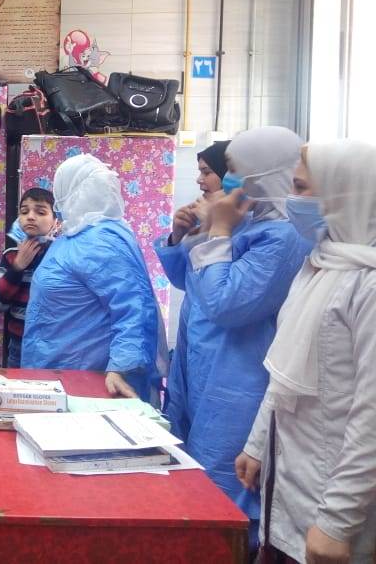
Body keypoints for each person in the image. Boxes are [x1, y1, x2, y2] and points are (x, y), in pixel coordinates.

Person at [157, 127, 311, 549]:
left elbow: (227, 304)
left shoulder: (284, 236)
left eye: (233, 169)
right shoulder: (248, 223)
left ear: (264, 173)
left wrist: (219, 232)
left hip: (238, 384)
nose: (225, 179)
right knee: (192, 478)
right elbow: (190, 281)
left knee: (226, 496)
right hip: (201, 367)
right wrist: (188, 235)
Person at [236, 140, 376, 564]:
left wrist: (337, 522)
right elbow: (285, 369)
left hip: (334, 504)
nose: (291, 200)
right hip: (290, 486)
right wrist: (257, 443)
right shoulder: (322, 262)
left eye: (300, 188)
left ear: (343, 194)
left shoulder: (368, 283)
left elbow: (371, 413)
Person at [20, 154, 161, 401]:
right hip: (56, 370)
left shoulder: (101, 241)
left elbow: (134, 307)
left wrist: (121, 368)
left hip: (87, 378)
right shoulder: (75, 234)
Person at [0, 188, 57, 368]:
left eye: (40, 212)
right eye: (24, 211)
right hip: (18, 345)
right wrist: (17, 268)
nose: (30, 217)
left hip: (55, 346)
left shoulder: (61, 255)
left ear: (55, 220)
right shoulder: (11, 255)